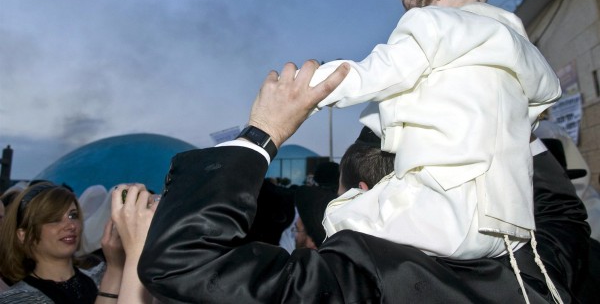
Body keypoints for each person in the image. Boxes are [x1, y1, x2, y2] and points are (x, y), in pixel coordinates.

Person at [138, 59, 589, 303]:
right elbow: (563, 211)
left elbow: (181, 262)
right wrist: (505, 115)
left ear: (361, 195)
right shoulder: (533, 261)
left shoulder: (360, 278)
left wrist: (263, 132)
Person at [308, 0, 562, 261]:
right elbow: (541, 100)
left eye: (410, 2)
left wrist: (313, 87)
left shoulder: (432, 24)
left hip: (441, 206)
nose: (409, 12)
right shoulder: (518, 49)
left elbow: (381, 71)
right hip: (509, 226)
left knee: (341, 218)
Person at [0, 181, 126, 303]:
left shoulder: (101, 276)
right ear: (24, 235)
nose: (71, 225)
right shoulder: (16, 298)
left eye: (73, 215)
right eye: (54, 219)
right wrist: (115, 272)